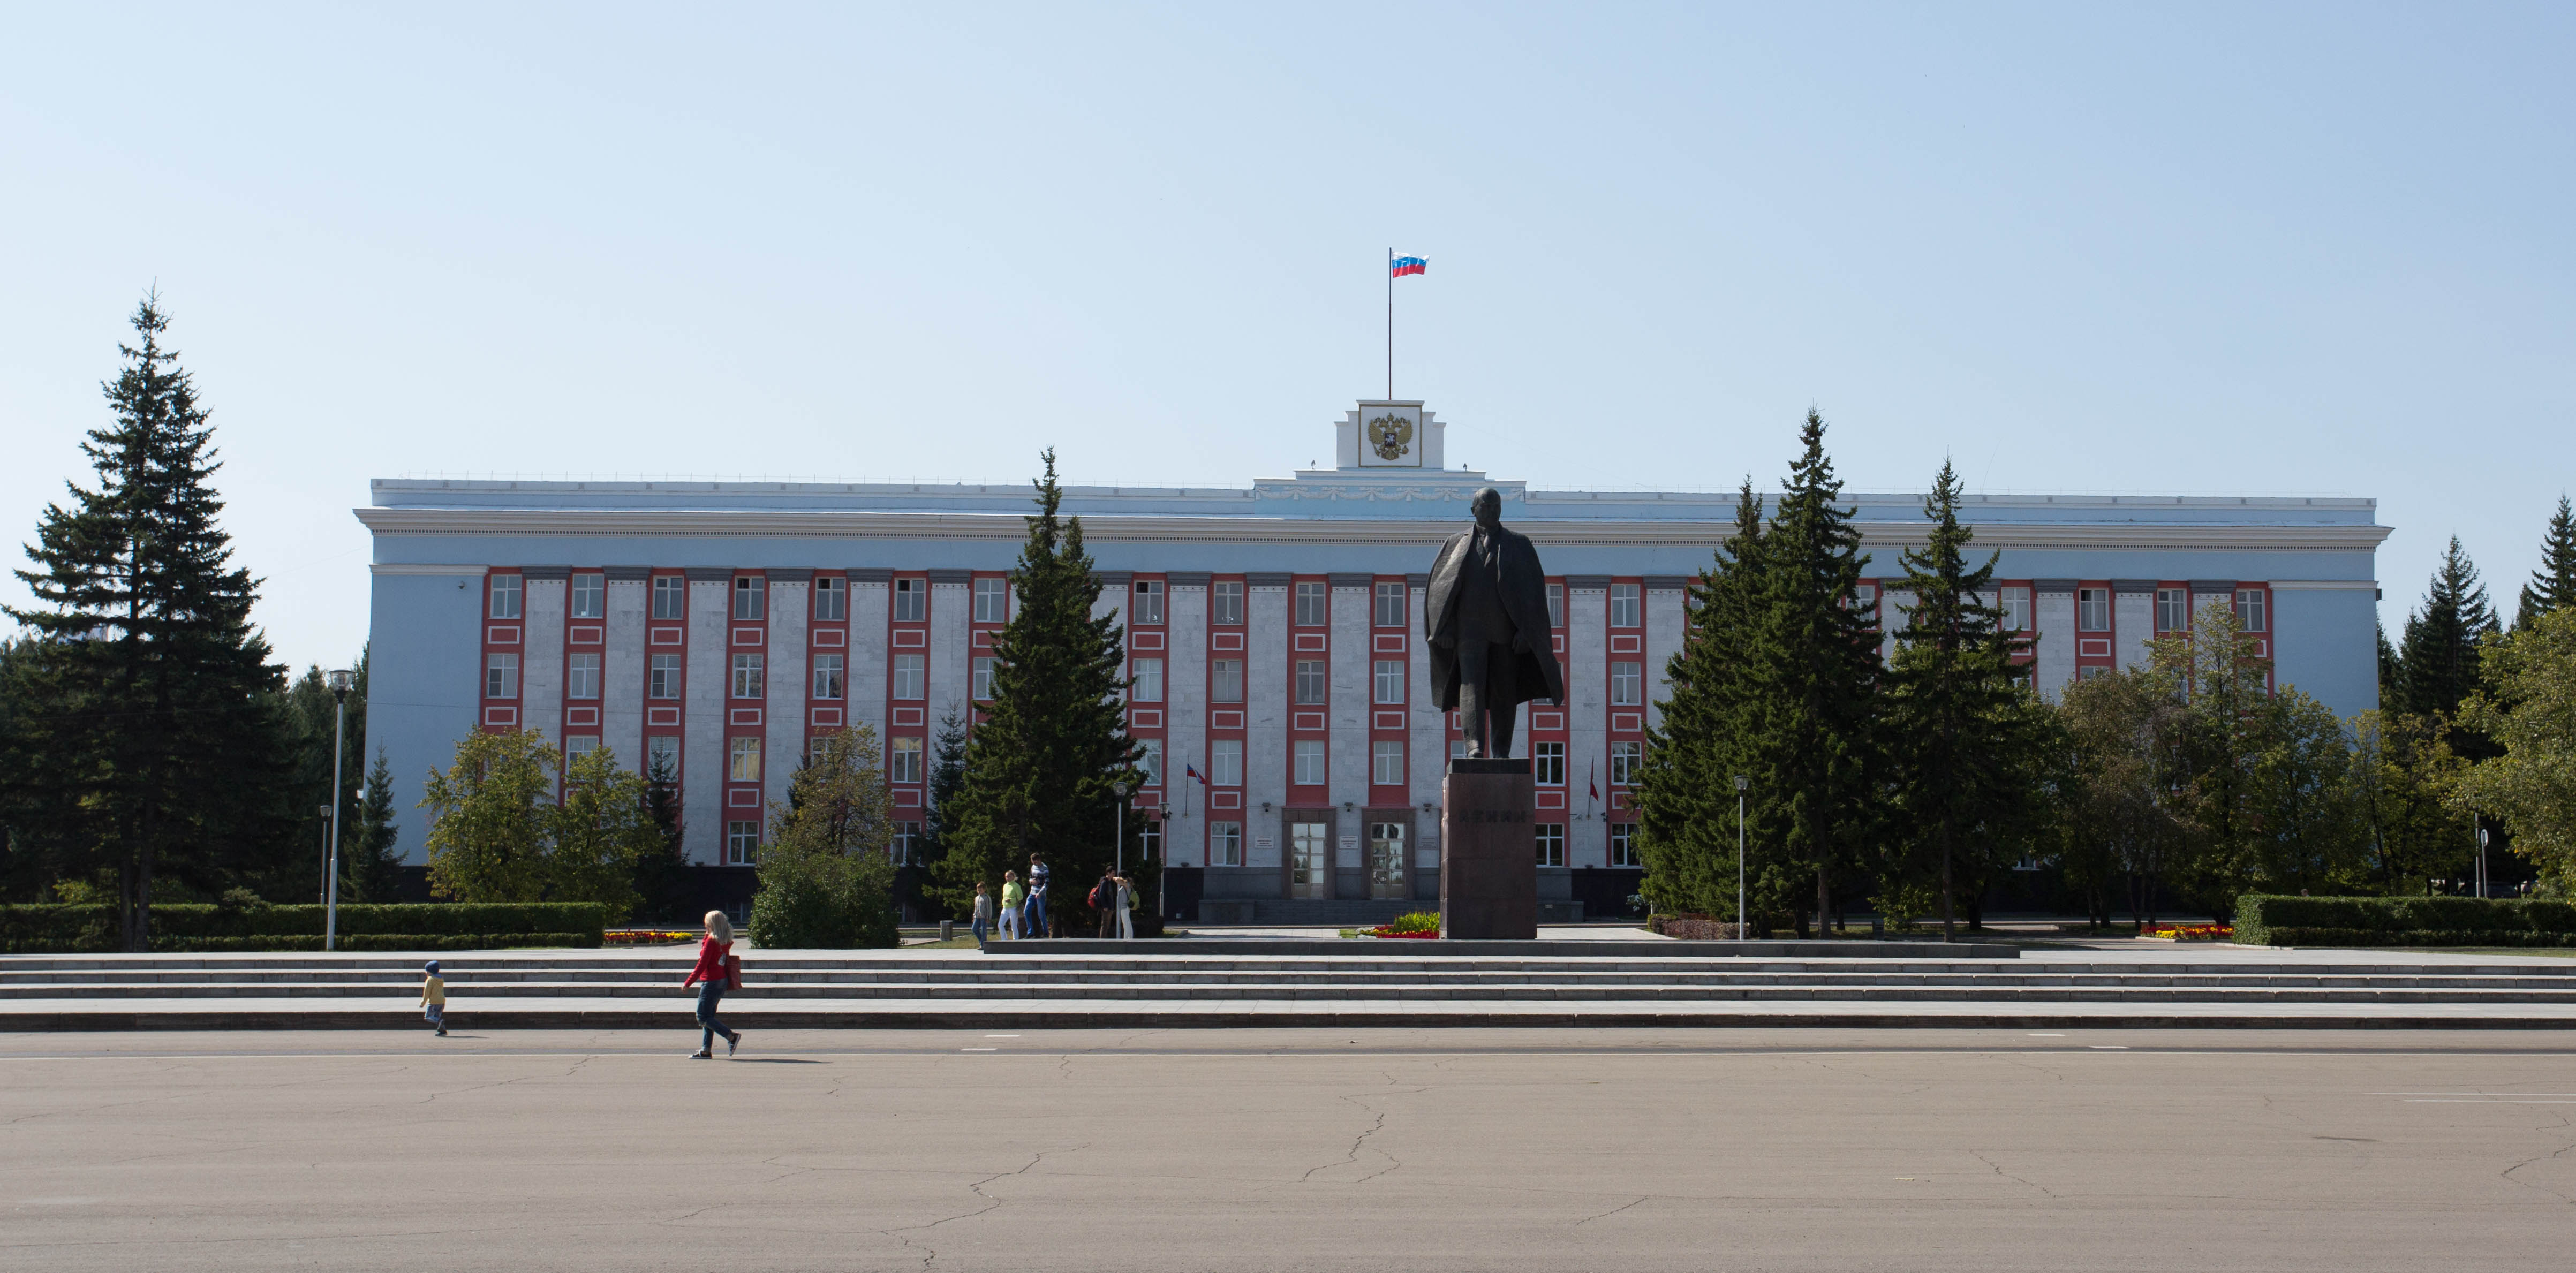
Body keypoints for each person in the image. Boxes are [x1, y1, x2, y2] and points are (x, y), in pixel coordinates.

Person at [682, 910, 743, 1059]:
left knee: (702, 1017)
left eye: (707, 924)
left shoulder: (712, 941)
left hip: (711, 981)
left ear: (712, 924)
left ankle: (731, 1037)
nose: (705, 927)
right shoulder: (723, 940)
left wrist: (688, 982)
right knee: (709, 1017)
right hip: (721, 981)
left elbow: (702, 963)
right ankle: (706, 1051)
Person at [1024, 854, 1051, 939]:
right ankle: (1031, 932)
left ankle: (1046, 932)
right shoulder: (1033, 867)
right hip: (1032, 893)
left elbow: (1047, 883)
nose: (1034, 864)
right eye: (1033, 862)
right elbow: (1030, 878)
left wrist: (1040, 893)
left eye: (1035, 862)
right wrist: (1031, 881)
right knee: (1026, 911)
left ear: (1039, 860)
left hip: (1040, 894)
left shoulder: (1045, 868)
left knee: (1041, 914)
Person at [420, 960, 447, 1036]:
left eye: (427, 971)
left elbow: (427, 993)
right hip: (442, 1001)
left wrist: (423, 1003)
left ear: (430, 972)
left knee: (428, 1017)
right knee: (436, 1017)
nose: (426, 973)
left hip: (434, 1002)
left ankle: (440, 1022)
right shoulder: (441, 979)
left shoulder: (430, 980)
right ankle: (443, 1031)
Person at [1092, 869, 1120, 938]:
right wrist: (1105, 906)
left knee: (1107, 925)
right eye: (1113, 873)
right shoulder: (1105, 882)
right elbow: (1101, 895)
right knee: (1105, 925)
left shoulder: (1108, 882)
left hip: (1109, 907)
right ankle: (1102, 941)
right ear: (1108, 873)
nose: (1114, 875)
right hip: (1106, 908)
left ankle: (1104, 940)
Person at [1000, 870, 1024, 941]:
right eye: (1006, 877)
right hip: (1005, 908)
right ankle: (1004, 940)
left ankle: (1015, 941)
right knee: (1000, 925)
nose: (1007, 878)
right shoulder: (1005, 886)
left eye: (1009, 877)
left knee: (1014, 926)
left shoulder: (1016, 886)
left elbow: (1021, 897)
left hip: (1013, 908)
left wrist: (1011, 900)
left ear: (1013, 877)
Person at [970, 881, 993, 951]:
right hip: (977, 916)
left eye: (981, 890)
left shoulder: (987, 897)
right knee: (974, 929)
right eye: (978, 890)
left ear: (984, 890)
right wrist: (974, 916)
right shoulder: (977, 898)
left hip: (984, 917)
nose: (979, 891)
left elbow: (989, 908)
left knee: (984, 930)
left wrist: (989, 917)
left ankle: (983, 945)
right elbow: (976, 908)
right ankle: (983, 942)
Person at [1115, 874, 1136, 941]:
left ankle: (1126, 940)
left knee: (1126, 925)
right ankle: (1130, 938)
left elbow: (1117, 880)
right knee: (1128, 924)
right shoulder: (1127, 884)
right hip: (1125, 908)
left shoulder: (1127, 885)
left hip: (1124, 907)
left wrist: (1115, 878)